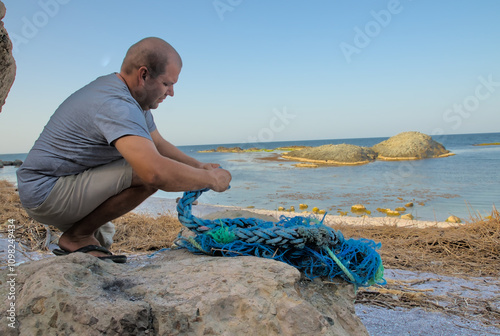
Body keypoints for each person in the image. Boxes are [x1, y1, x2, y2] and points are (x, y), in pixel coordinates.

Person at [16, 37, 232, 262]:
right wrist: (210, 179)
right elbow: (153, 172)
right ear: (144, 75)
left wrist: (198, 165)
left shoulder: (130, 97)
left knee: (104, 238)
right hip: (46, 192)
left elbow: (157, 143)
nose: (172, 92)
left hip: (62, 185)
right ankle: (77, 236)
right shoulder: (117, 104)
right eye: (167, 84)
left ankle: (80, 238)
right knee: (144, 172)